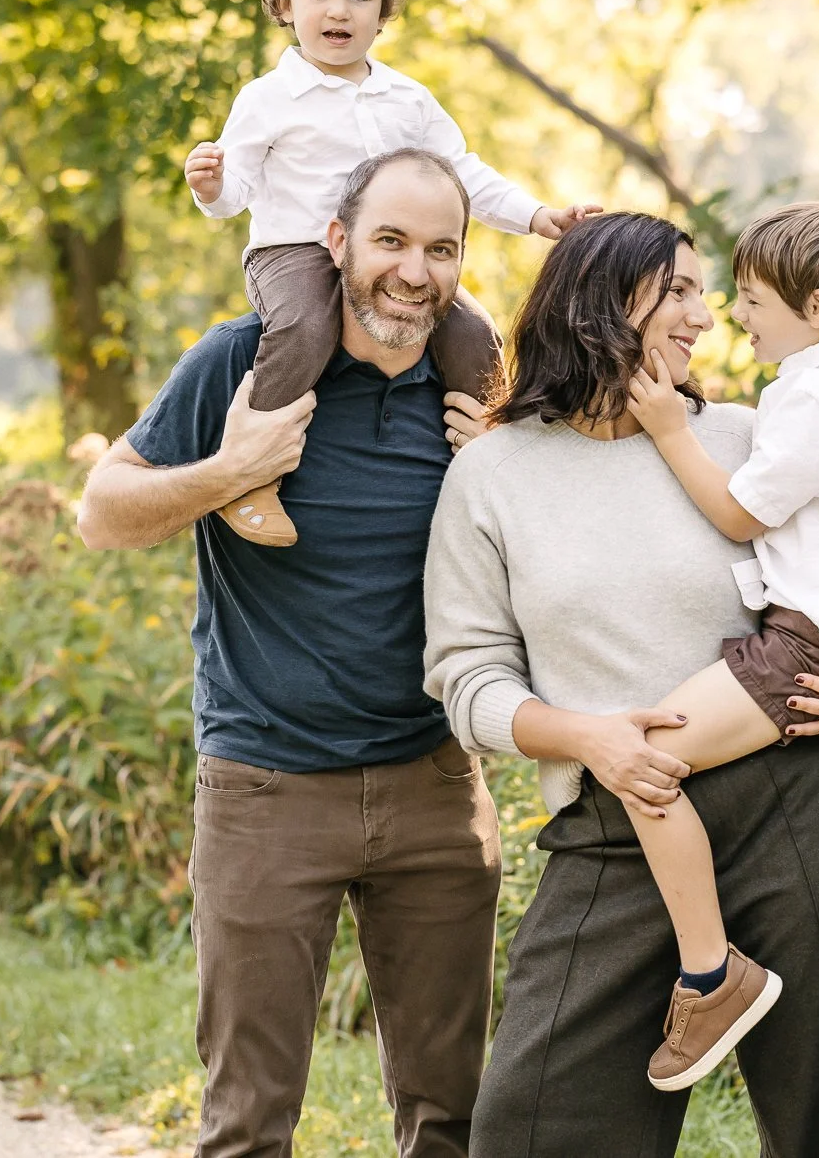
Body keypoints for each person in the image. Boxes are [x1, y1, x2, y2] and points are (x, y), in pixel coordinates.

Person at [424, 212, 819, 1156]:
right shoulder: (492, 473)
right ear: (606, 298)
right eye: (680, 291)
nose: (708, 315)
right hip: (618, 817)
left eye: (709, 291)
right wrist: (585, 736)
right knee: (532, 1129)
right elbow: (465, 677)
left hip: (797, 801)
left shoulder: (744, 434)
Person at [79, 150, 506, 1158]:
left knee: (452, 1117)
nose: (413, 271)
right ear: (335, 242)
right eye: (390, 240)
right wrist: (230, 469)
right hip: (266, 787)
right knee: (247, 1123)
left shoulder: (476, 394)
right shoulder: (244, 363)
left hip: (435, 790)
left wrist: (500, 470)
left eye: (440, 248)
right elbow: (101, 511)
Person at [615, 200, 819, 1089]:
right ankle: (711, 968)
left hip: (808, 647)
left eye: (751, 299)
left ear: (818, 308)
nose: (733, 316)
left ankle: (711, 974)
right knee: (651, 757)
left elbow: (738, 510)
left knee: (642, 761)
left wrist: (671, 428)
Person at [183, 0, 596, 548]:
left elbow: (461, 172)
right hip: (294, 251)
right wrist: (211, 186)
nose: (338, 10)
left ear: (382, 11)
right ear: (286, 5)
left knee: (474, 332)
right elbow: (235, 192)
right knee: (305, 326)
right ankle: (252, 476)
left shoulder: (407, 98)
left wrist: (537, 215)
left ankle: (487, 456)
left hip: (395, 255)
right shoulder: (267, 98)